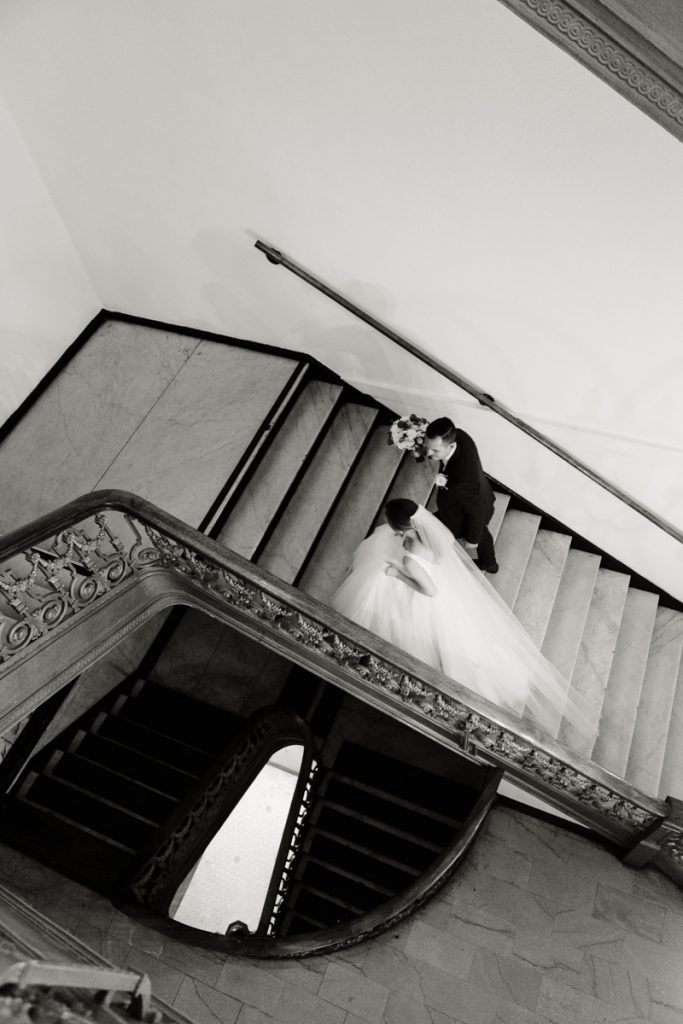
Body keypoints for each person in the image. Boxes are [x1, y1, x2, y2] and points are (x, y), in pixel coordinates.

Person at [331, 498, 588, 739]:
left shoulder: (410, 562)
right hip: (436, 577)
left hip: (424, 592)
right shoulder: (427, 537)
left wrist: (397, 574)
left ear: (404, 528)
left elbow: (429, 591)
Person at [425, 417, 498, 574]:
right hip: (478, 494)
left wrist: (473, 538)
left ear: (450, 445)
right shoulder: (460, 436)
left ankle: (489, 564)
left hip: (465, 510)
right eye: (428, 447)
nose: (429, 453)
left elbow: (476, 511)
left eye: (435, 451)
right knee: (482, 531)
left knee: (481, 533)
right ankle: (489, 562)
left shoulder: (463, 481)